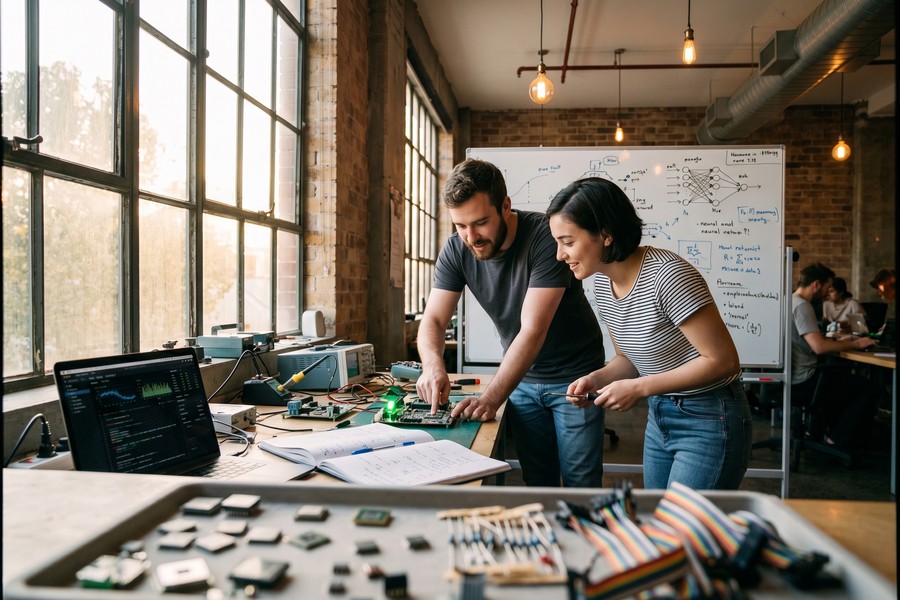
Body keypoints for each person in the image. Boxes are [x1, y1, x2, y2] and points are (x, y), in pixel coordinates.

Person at [546, 177, 750, 490]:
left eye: (568, 242)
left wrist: (640, 388)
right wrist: (597, 379)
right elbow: (629, 359)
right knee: (658, 523)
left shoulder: (667, 275)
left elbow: (724, 362)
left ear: (606, 234)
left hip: (710, 416)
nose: (560, 254)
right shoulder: (602, 283)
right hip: (660, 413)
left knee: (684, 533)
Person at [415, 159, 607, 488]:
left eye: (480, 223)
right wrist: (432, 365)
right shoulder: (455, 249)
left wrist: (491, 399)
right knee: (537, 480)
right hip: (522, 380)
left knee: (581, 484)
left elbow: (533, 329)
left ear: (505, 206)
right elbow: (432, 318)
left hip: (575, 378)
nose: (470, 237)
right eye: (460, 225)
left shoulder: (546, 238)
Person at [791, 263, 877, 448]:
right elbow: (819, 347)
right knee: (869, 388)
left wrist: (837, 341)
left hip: (795, 376)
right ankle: (836, 440)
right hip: (805, 379)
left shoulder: (790, 300)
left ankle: (815, 432)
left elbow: (811, 341)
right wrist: (856, 343)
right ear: (816, 285)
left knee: (839, 381)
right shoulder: (802, 306)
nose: (827, 293)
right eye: (827, 287)